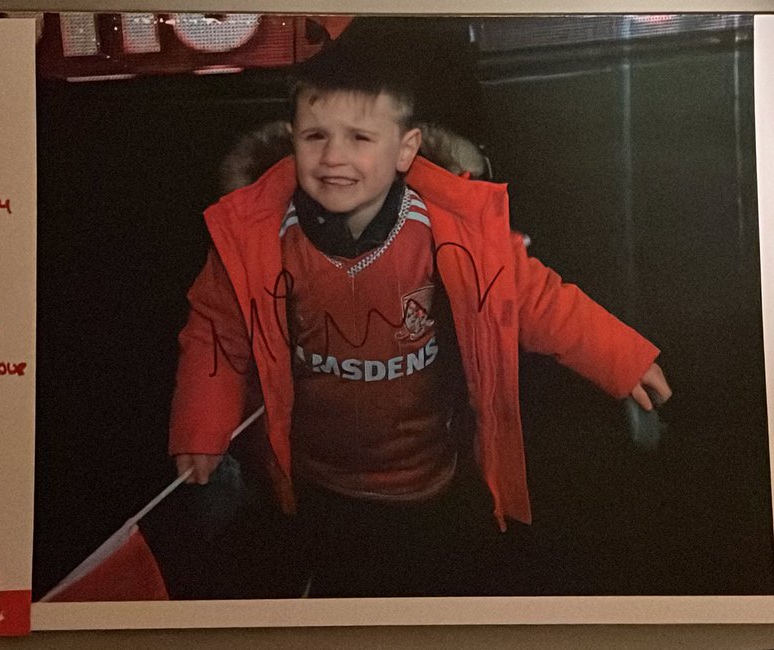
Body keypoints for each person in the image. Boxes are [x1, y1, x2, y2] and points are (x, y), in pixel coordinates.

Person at [167, 45, 672, 597]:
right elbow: (217, 330)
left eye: (360, 138)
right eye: (316, 136)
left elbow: (535, 297)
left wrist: (621, 357)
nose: (334, 156)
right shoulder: (259, 239)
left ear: (405, 149)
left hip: (426, 481)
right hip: (314, 481)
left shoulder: (446, 231)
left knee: (426, 594)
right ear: (292, 139)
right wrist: (200, 424)